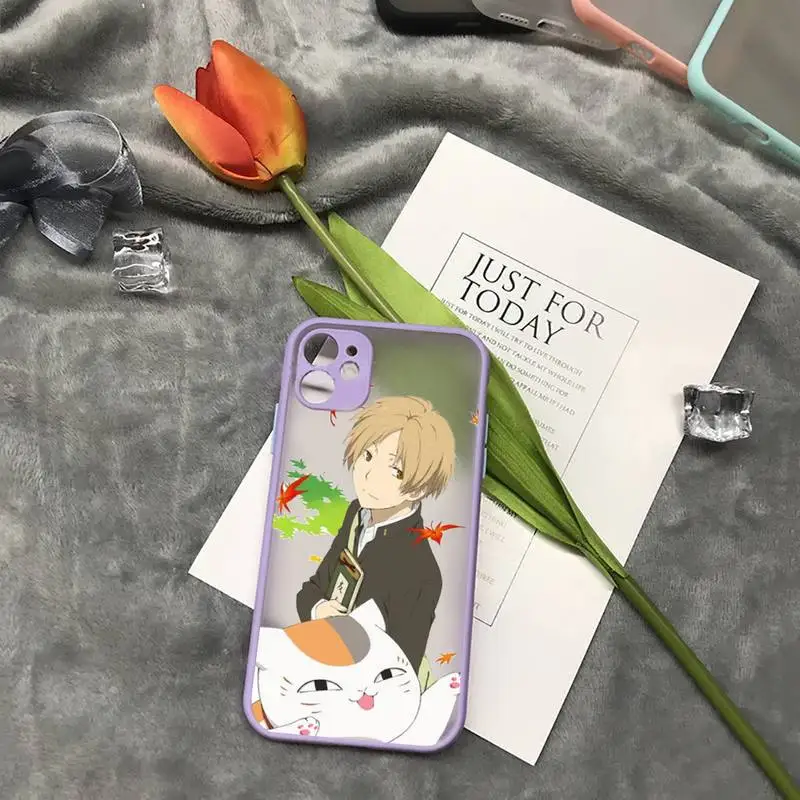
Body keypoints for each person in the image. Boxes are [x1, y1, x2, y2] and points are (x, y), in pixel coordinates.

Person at [296, 396, 456, 676]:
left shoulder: (421, 573)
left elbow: (400, 672)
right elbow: (313, 589)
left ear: (419, 489)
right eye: (368, 456)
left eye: (395, 470)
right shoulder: (357, 514)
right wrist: (319, 610)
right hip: (319, 659)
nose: (369, 476)